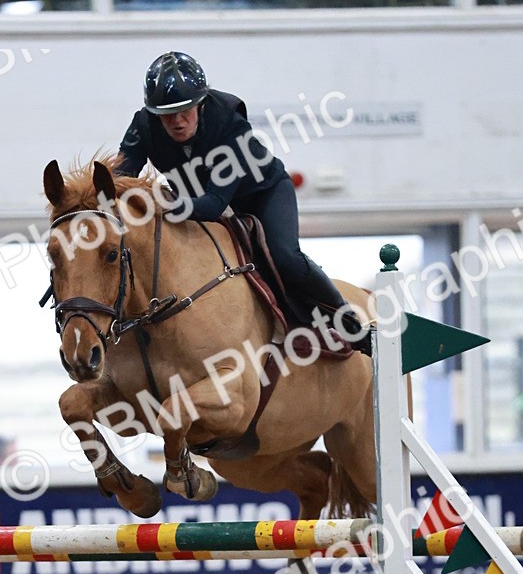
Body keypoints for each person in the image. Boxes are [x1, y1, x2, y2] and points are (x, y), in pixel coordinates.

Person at [115, 50, 371, 353]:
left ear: (201, 102)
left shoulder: (228, 122)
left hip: (262, 194)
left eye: (186, 110)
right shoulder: (143, 125)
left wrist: (165, 204)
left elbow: (213, 204)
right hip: (195, 202)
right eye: (166, 115)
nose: (177, 121)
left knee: (284, 256)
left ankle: (350, 323)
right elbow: (118, 178)